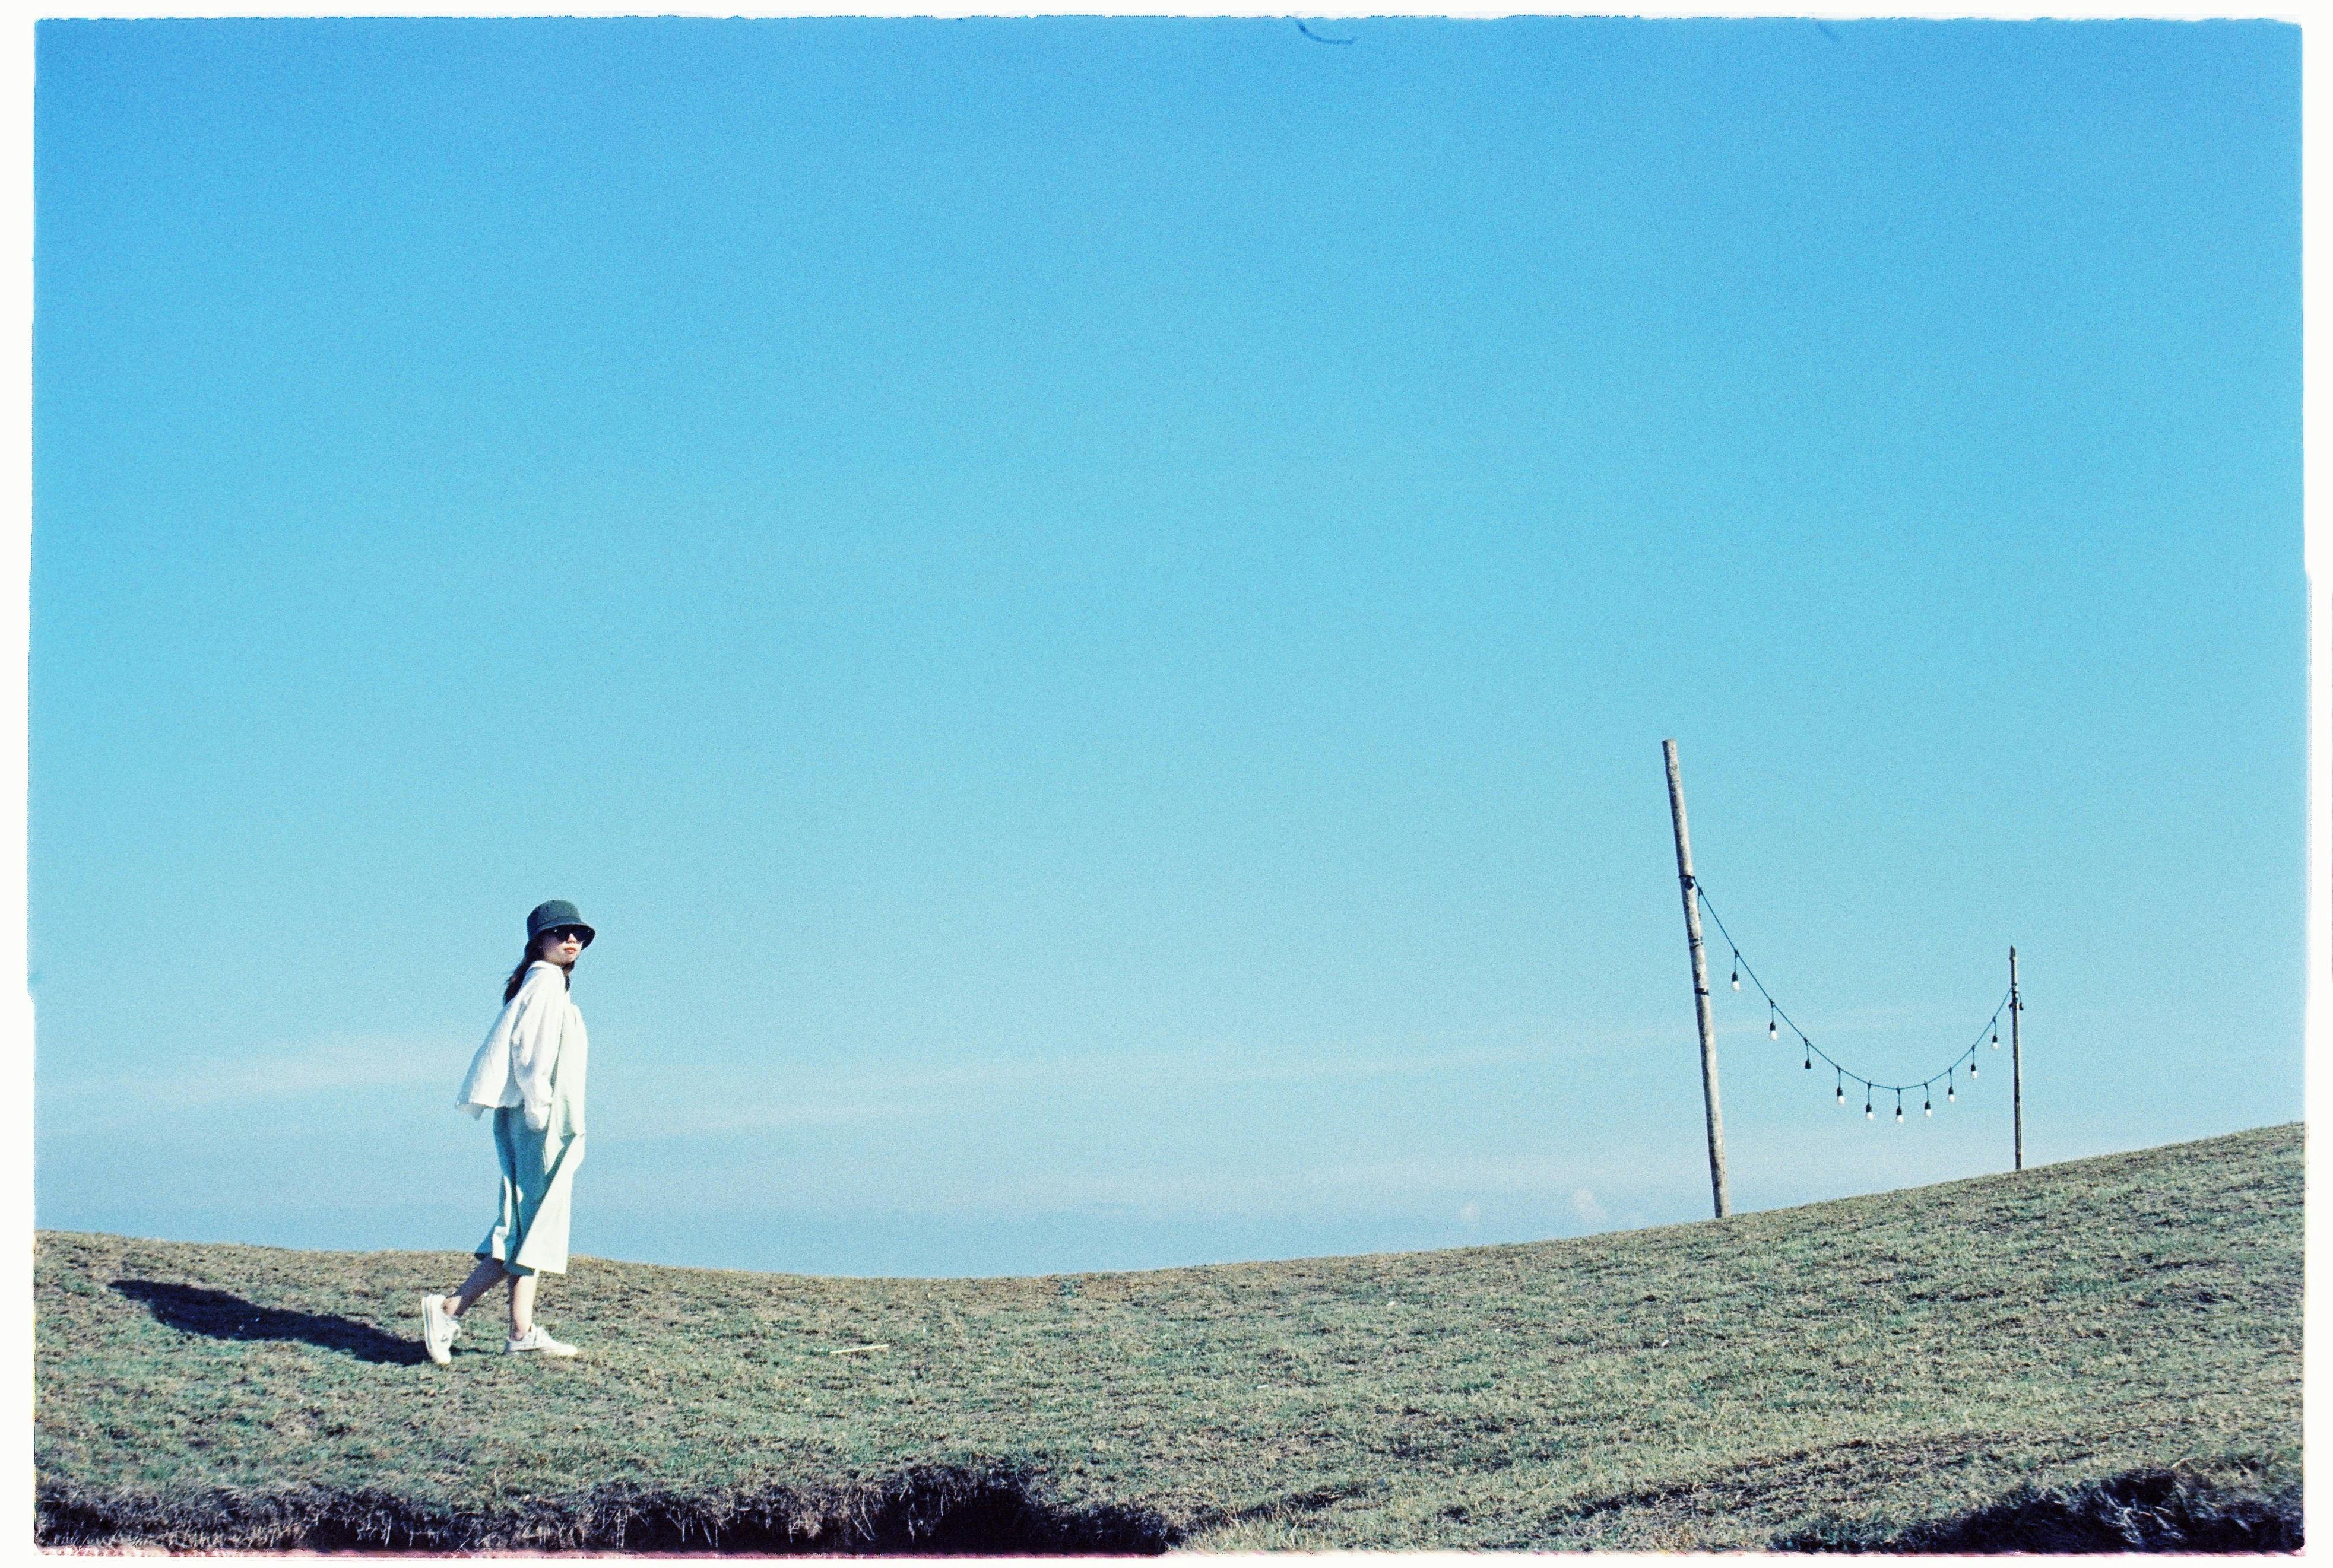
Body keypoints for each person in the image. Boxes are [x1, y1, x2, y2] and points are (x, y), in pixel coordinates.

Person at [421, 900, 595, 1363]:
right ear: (540, 941)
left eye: (577, 933)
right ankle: (449, 1308)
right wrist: (540, 1110)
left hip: (535, 1115)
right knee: (531, 1222)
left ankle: (521, 1331)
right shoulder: (545, 985)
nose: (571, 940)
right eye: (560, 933)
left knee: (531, 1222)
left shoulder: (547, 985)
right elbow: (532, 1054)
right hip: (539, 1117)